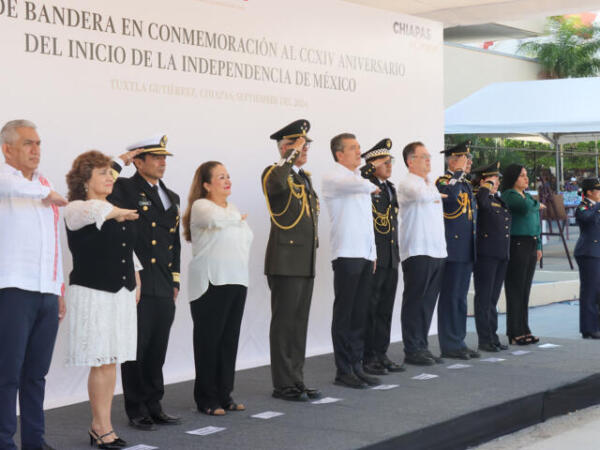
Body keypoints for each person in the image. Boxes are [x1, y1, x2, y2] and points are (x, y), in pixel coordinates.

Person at [64, 150, 142, 448]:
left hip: (119, 292)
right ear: (85, 180)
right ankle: (100, 426)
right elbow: (99, 212)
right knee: (100, 361)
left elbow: (127, 249)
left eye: (112, 173)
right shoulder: (77, 208)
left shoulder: (113, 206)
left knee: (111, 361)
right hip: (93, 293)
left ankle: (103, 425)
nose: (110, 177)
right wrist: (118, 210)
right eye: (102, 173)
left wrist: (136, 277)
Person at [0, 120, 67, 450]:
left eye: (38, 143)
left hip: (46, 291)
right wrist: (48, 193)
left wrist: (59, 288)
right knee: (7, 374)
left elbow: (53, 241)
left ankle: (35, 441)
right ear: (7, 149)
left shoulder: (45, 183)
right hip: (13, 290)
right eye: (28, 143)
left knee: (35, 374)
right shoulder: (5, 179)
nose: (36, 149)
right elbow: (13, 188)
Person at [108, 135, 182, 430]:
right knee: (135, 348)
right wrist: (120, 161)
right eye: (155, 157)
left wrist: (175, 278)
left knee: (157, 348)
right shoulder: (125, 188)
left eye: (165, 158)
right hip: (138, 280)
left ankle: (154, 403)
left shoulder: (171, 196)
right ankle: (136, 407)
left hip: (163, 282)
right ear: (138, 161)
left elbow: (174, 243)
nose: (163, 162)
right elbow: (100, 186)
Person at [182, 161, 253, 415]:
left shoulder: (231, 208)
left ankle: (225, 394)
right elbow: (217, 220)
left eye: (228, 176)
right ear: (206, 184)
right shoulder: (202, 206)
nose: (227, 180)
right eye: (221, 177)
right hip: (211, 283)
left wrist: (235, 217)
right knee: (208, 342)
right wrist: (236, 218)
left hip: (236, 280)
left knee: (228, 341)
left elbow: (243, 237)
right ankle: (206, 399)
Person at [262, 119, 321, 401]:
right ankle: (282, 384)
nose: (304, 149)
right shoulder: (275, 172)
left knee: (299, 324)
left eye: (305, 144)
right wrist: (290, 156)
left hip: (304, 261)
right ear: (284, 148)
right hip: (285, 261)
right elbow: (276, 184)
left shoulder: (303, 176)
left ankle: (296, 379)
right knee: (285, 324)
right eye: (298, 145)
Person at [322, 133, 381, 389]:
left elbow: (366, 222)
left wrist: (373, 252)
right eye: (354, 148)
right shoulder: (333, 177)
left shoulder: (358, 178)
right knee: (345, 314)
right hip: (346, 254)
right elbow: (358, 186)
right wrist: (370, 180)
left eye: (359, 148)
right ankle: (343, 370)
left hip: (364, 254)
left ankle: (357, 365)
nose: (360, 152)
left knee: (360, 314)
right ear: (339, 154)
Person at [396, 142, 447, 366]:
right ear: (410, 161)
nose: (428, 160)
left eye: (429, 156)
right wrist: (434, 193)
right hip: (417, 250)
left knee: (427, 302)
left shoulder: (430, 184)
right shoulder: (408, 183)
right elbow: (419, 196)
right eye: (423, 156)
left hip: (435, 249)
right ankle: (412, 348)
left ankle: (422, 345)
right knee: (415, 301)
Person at [359, 139, 404, 375]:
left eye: (390, 161)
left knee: (385, 308)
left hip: (391, 255)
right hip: (376, 255)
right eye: (385, 162)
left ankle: (381, 353)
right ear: (372, 164)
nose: (389, 165)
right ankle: (368, 356)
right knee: (371, 307)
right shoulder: (365, 185)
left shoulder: (390, 188)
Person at [436, 141, 479, 360]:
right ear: (453, 161)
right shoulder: (445, 181)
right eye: (465, 159)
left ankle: (459, 341)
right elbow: (449, 198)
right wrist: (458, 173)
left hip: (466, 248)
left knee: (460, 298)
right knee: (450, 297)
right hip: (452, 248)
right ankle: (449, 344)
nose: (469, 163)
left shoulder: (465, 184)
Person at [500, 164, 544, 346]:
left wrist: (539, 245)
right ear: (513, 178)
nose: (526, 179)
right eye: (522, 176)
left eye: (526, 175)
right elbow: (526, 208)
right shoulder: (510, 195)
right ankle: (514, 331)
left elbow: (535, 221)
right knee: (515, 289)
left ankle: (524, 328)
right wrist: (537, 204)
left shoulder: (526, 196)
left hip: (531, 243)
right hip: (517, 244)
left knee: (525, 289)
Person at [471, 162, 511, 352]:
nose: (496, 182)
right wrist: (484, 187)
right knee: (484, 298)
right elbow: (483, 205)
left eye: (497, 179)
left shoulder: (498, 199)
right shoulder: (481, 197)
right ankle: (484, 339)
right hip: (486, 254)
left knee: (492, 299)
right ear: (483, 181)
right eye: (492, 179)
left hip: (500, 253)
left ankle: (492, 336)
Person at [574, 178, 600, 339]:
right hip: (588, 252)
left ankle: (596, 325)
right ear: (589, 192)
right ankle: (588, 328)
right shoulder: (584, 206)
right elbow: (585, 218)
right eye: (598, 190)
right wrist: (598, 206)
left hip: (597, 252)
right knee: (590, 291)